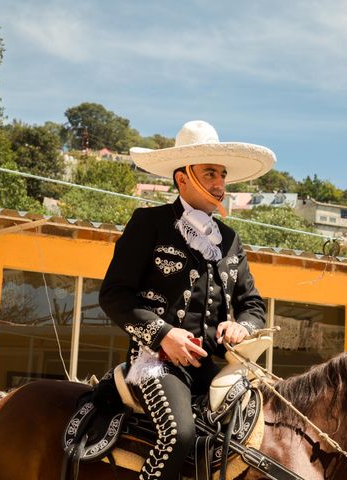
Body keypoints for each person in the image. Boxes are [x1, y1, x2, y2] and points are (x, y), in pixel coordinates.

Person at [99, 120, 275, 480]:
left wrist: (241, 326)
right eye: (210, 173)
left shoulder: (230, 239)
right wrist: (164, 334)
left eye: (222, 175)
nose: (220, 184)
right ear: (183, 178)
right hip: (155, 361)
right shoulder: (149, 223)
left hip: (215, 365)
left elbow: (253, 305)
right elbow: (113, 295)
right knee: (178, 437)